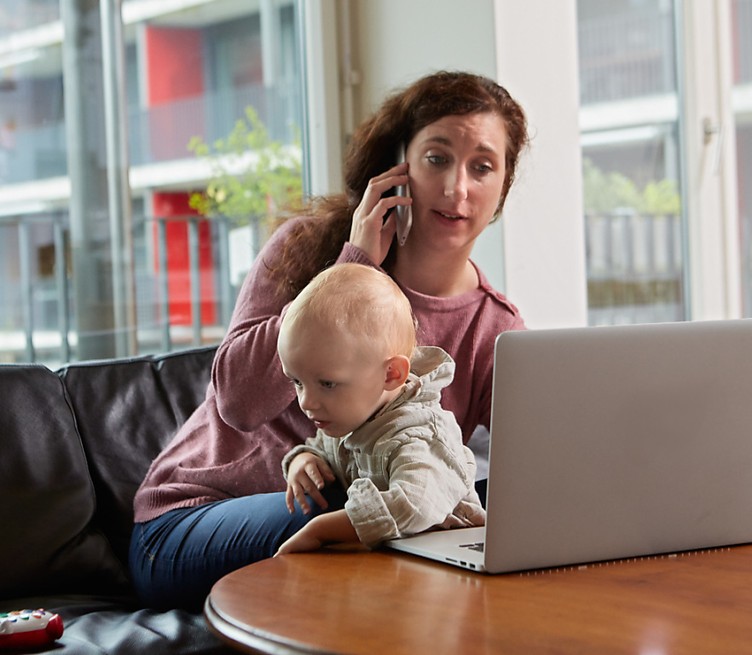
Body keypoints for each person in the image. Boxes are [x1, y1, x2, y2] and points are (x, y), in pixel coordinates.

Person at [129, 70, 529, 610]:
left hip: (356, 515)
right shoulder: (306, 246)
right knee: (367, 515)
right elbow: (239, 403)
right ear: (398, 167)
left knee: (442, 505)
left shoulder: (492, 326)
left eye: (482, 167)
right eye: (437, 158)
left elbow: (529, 477)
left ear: (501, 188)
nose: (458, 188)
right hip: (186, 525)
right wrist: (355, 264)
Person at [274, 262, 484, 555]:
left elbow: (413, 504)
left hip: (449, 571)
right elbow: (324, 447)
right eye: (297, 382)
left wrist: (320, 530)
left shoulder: (419, 433)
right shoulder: (352, 413)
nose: (306, 402)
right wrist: (305, 459)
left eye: (327, 384)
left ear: (391, 374)